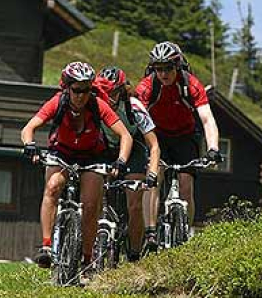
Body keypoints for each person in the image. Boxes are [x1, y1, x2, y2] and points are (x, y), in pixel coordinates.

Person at [21, 61, 133, 269]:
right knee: (53, 187)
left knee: (91, 204)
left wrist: (121, 160)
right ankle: (46, 246)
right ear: (67, 87)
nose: (81, 95)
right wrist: (30, 145)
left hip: (92, 156)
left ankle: (87, 257)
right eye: (76, 90)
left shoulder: (98, 104)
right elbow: (29, 127)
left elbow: (125, 136)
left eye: (86, 90)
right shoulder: (58, 102)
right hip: (62, 153)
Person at [135, 41, 223, 246]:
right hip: (158, 137)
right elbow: (137, 117)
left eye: (168, 68)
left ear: (177, 66)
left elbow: (207, 119)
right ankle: (150, 233)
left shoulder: (191, 84)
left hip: (185, 136)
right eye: (159, 69)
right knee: (154, 179)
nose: (163, 74)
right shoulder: (147, 86)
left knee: (186, 185)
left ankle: (186, 232)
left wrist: (213, 149)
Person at [93, 67, 160, 260]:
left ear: (122, 90)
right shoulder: (95, 105)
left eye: (112, 93)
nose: (108, 97)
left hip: (134, 149)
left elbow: (154, 145)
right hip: (105, 147)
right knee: (93, 197)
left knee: (134, 204)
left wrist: (153, 174)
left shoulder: (134, 107)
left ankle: (134, 253)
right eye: (103, 92)